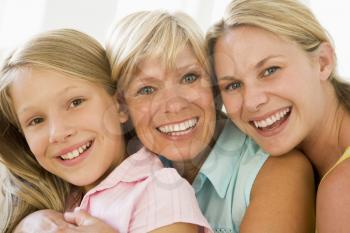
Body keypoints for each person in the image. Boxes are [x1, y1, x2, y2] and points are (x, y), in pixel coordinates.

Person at [12, 10, 315, 233]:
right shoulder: (110, 162)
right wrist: (32, 223)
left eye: (189, 77)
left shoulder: (277, 171)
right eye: (146, 89)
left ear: (215, 84)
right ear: (121, 106)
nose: (173, 105)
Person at [0, 28, 212, 233]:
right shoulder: (44, 200)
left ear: (119, 104)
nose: (58, 132)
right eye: (36, 120)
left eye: (76, 102)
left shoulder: (161, 191)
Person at [206, 0, 350, 232]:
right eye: (233, 85)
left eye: (270, 70)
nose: (252, 102)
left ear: (323, 62)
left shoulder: (343, 188)